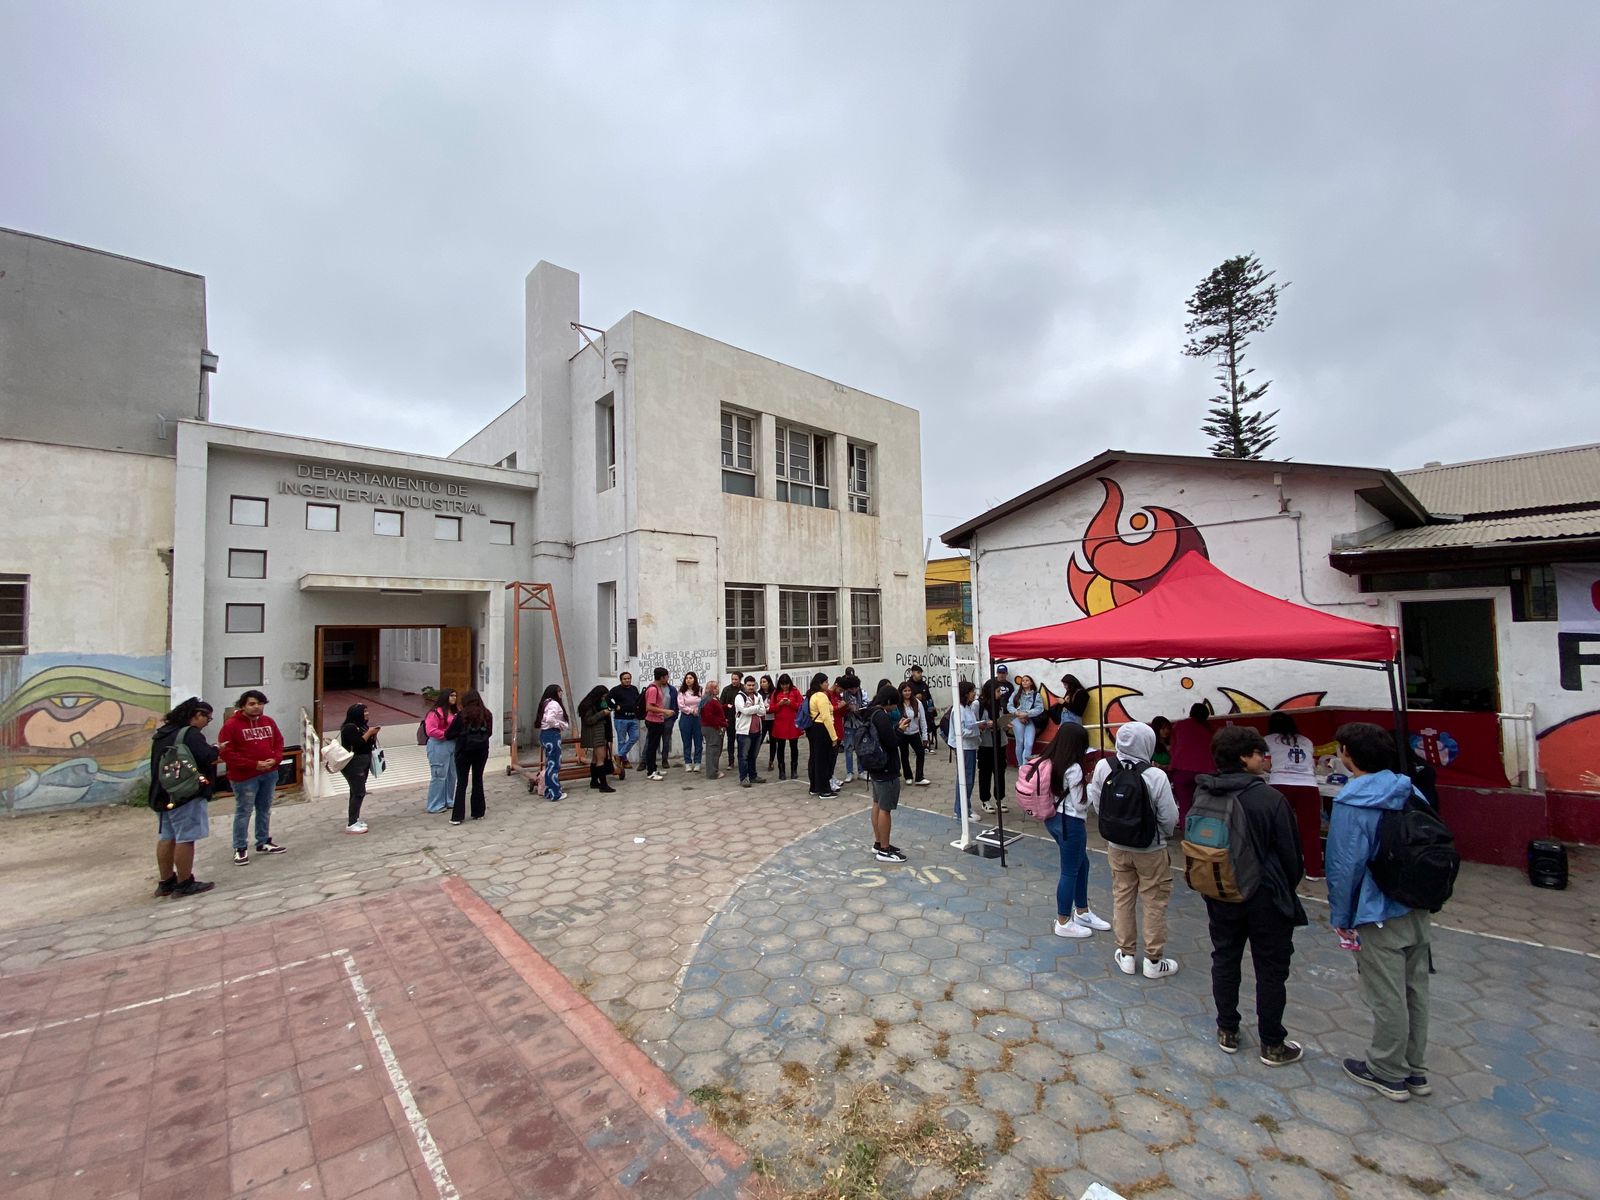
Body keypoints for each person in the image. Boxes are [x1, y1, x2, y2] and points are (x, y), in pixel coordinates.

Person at [1327, 722, 1434, 1102]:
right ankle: (1415, 1069)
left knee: (1386, 994)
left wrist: (1341, 916)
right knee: (1415, 988)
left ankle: (1387, 1071)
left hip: (1377, 910)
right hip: (1417, 906)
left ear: (1347, 755)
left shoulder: (1353, 801)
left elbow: (1344, 865)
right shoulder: (1411, 789)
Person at [1196, 725, 1308, 1065]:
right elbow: (1292, 856)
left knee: (1225, 957)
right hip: (1265, 895)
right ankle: (1272, 1043)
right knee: (1271, 969)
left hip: (1219, 891)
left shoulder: (1205, 793)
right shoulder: (1269, 799)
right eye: (1260, 753)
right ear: (1245, 758)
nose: (1264, 759)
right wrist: (1285, 886)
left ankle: (1227, 1029)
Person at [1088, 721, 1181, 979]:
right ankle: (1153, 960)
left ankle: (1126, 954)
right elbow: (1169, 817)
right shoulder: (1155, 775)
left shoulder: (1103, 767)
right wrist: (1162, 835)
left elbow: (1098, 802)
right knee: (1154, 900)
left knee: (1122, 895)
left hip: (1116, 846)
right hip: (1151, 848)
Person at [1036, 722, 1109, 939]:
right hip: (1072, 823)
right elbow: (1080, 804)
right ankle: (1063, 920)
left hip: (1054, 819)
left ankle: (1083, 911)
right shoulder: (1074, 767)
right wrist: (1093, 787)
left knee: (1082, 863)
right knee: (1069, 871)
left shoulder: (1050, 759)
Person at [148, 697, 217, 898]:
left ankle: (166, 881)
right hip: (186, 793)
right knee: (186, 837)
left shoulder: (163, 733)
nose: (207, 723)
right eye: (208, 719)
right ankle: (184, 882)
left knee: (166, 837)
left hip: (162, 793)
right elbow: (207, 757)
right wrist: (216, 748)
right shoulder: (190, 734)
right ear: (197, 715)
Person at [219, 690, 286, 866]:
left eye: (260, 703)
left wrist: (276, 759)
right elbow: (227, 753)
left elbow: (279, 742)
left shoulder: (268, 722)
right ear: (243, 706)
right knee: (244, 811)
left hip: (269, 773)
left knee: (264, 808)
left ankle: (263, 841)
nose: (257, 707)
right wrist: (253, 764)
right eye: (252, 704)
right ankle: (240, 847)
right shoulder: (231, 726)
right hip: (245, 777)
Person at [1266, 712, 1323, 879]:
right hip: (1308, 785)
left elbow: (1266, 764)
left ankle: (1278, 866)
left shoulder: (1268, 740)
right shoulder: (1306, 741)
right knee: (1310, 829)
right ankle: (1313, 870)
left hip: (1280, 783)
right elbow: (1312, 764)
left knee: (1276, 827)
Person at [865, 684, 909, 862]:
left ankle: (878, 842)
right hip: (885, 767)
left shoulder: (869, 711)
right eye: (894, 704)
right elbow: (891, 743)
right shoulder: (881, 716)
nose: (894, 709)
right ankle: (884, 849)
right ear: (889, 701)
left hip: (874, 766)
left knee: (877, 803)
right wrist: (900, 730)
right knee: (885, 809)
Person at [449, 690, 494, 822]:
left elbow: (450, 733)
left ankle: (457, 816)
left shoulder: (461, 715)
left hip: (464, 751)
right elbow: (489, 732)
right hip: (481, 751)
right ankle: (478, 812)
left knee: (462, 783)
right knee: (478, 780)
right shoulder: (487, 714)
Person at [1168, 702, 1215, 825]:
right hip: (1206, 771)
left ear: (1191, 713)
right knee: (1205, 806)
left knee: (1185, 806)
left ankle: (1187, 836)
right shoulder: (1209, 730)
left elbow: (1174, 748)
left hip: (1181, 770)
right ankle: (1204, 834)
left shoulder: (1180, 725)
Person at [339, 703, 381, 833]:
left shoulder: (362, 726)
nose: (367, 714)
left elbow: (368, 744)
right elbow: (357, 744)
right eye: (364, 712)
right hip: (354, 763)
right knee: (359, 792)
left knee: (356, 790)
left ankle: (355, 819)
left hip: (364, 761)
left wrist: (373, 734)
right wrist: (369, 733)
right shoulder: (349, 728)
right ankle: (351, 823)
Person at [804, 672, 840, 798]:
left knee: (815, 758)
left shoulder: (812, 695)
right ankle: (824, 790)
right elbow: (826, 718)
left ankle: (814, 787)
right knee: (823, 760)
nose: (828, 684)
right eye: (825, 682)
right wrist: (834, 737)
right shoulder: (821, 696)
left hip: (814, 729)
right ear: (820, 683)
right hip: (822, 729)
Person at [976, 679, 1009, 813]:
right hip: (985, 744)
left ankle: (1000, 799)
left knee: (1000, 771)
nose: (999, 694)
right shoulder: (978, 705)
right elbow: (974, 724)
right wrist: (985, 725)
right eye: (997, 691)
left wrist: (1005, 723)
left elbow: (1002, 720)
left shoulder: (999, 704)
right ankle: (985, 800)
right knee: (985, 772)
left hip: (1000, 742)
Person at [423, 689, 459, 813]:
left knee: (451, 774)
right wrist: (447, 734)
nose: (454, 698)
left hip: (452, 744)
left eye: (455, 696)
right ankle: (434, 804)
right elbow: (430, 730)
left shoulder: (455, 712)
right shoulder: (435, 713)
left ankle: (448, 800)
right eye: (451, 696)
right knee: (439, 775)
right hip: (438, 745)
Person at [578, 686, 617, 793]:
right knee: (601, 759)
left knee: (595, 759)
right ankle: (603, 785)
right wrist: (602, 713)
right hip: (595, 734)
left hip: (600, 733)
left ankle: (594, 781)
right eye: (603, 696)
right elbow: (589, 720)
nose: (604, 698)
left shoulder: (598, 703)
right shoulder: (588, 706)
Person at [952, 680, 981, 819]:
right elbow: (961, 731)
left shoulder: (968, 708)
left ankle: (965, 806)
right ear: (965, 694)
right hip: (965, 747)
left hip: (971, 746)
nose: (974, 694)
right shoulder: (958, 710)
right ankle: (961, 810)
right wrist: (978, 729)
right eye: (971, 691)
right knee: (965, 779)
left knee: (968, 778)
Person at [734, 675, 769, 787]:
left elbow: (763, 711)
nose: (751, 687)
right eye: (749, 685)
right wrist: (756, 708)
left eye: (753, 685)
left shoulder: (758, 695)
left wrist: (754, 708)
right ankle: (744, 778)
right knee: (743, 756)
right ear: (744, 685)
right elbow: (744, 711)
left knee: (753, 756)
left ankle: (753, 776)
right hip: (744, 731)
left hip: (757, 730)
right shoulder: (740, 697)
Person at [537, 684, 570, 802]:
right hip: (552, 735)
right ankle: (555, 792)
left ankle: (548, 790)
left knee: (550, 763)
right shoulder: (554, 704)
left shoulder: (546, 702)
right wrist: (561, 725)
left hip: (545, 735)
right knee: (554, 764)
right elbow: (550, 719)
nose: (561, 693)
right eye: (559, 691)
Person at [768, 674, 804, 781]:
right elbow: (771, 708)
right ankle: (781, 771)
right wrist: (779, 704)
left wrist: (790, 703)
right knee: (781, 747)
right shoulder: (775, 693)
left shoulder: (795, 691)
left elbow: (801, 706)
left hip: (793, 723)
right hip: (780, 724)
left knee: (794, 747)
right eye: (783, 684)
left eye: (786, 684)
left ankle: (794, 770)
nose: (785, 687)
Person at [606, 671, 644, 775]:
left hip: (633, 718)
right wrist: (614, 707)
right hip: (620, 719)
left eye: (628, 678)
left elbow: (638, 700)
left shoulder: (634, 689)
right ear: (621, 680)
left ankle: (620, 755)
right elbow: (607, 698)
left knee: (635, 737)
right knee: (621, 741)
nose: (627, 680)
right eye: (625, 679)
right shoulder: (616, 690)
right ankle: (624, 761)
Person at [642, 668, 673, 781]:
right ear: (662, 677)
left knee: (654, 746)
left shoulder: (658, 687)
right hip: (653, 721)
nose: (667, 679)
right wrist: (665, 711)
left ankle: (654, 768)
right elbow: (649, 707)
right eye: (666, 676)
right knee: (652, 746)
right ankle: (650, 772)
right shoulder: (653, 689)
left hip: (658, 720)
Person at [896, 681, 930, 785]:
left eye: (909, 690)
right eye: (905, 691)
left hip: (915, 733)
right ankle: (908, 776)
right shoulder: (898, 704)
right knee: (904, 754)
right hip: (903, 733)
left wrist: (925, 736)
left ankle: (919, 777)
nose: (907, 693)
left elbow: (923, 720)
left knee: (920, 753)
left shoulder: (917, 703)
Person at [1008, 674, 1044, 770]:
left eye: (1027, 680)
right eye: (1023, 680)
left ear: (1031, 682)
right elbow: (1009, 706)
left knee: (1029, 744)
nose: (1024, 682)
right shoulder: (1016, 693)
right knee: (1019, 742)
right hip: (1017, 719)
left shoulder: (1036, 695)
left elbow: (1039, 709)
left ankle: (1025, 766)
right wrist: (1018, 714)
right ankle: (1021, 765)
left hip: (1029, 720)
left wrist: (1027, 714)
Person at [837, 671, 866, 783]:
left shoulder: (863, 693)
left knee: (861, 748)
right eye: (851, 688)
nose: (854, 690)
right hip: (848, 724)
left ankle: (861, 771)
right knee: (848, 748)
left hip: (860, 723)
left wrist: (860, 710)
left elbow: (866, 705)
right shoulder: (843, 695)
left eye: (856, 688)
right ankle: (849, 772)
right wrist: (846, 708)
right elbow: (839, 710)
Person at [677, 673, 705, 772]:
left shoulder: (700, 690)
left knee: (698, 740)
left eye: (690, 678)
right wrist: (691, 710)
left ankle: (697, 762)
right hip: (686, 717)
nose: (688, 680)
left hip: (698, 718)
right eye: (687, 678)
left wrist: (698, 710)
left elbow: (703, 702)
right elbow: (681, 705)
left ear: (694, 679)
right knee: (686, 741)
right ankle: (687, 762)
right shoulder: (682, 692)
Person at [701, 677, 727, 781]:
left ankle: (714, 770)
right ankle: (712, 773)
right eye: (716, 687)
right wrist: (721, 723)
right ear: (712, 689)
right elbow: (709, 717)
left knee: (714, 750)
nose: (718, 689)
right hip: (712, 728)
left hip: (713, 726)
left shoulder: (714, 699)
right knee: (713, 750)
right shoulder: (710, 700)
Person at [720, 676, 743, 770]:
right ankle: (731, 761)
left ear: (740, 680)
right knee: (730, 740)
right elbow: (721, 704)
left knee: (741, 741)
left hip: (741, 719)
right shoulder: (726, 689)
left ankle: (742, 760)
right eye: (732, 679)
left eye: (736, 679)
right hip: (730, 719)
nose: (734, 681)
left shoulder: (743, 689)